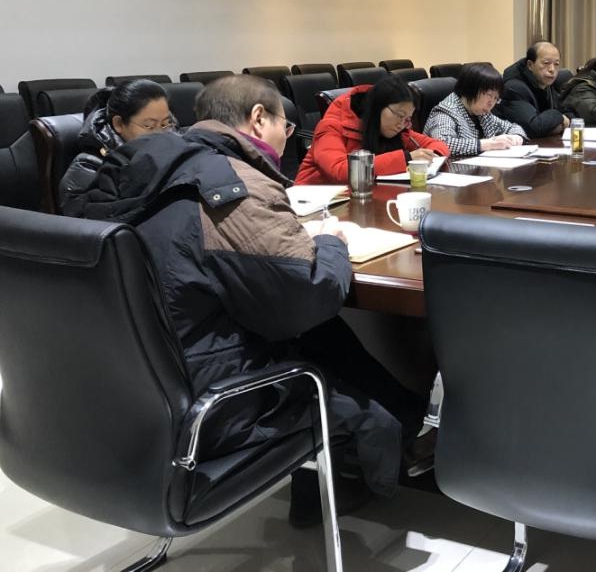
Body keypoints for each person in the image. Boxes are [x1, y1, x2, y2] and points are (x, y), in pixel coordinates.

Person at [65, 74, 431, 527]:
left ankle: (389, 435)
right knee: (326, 331)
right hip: (215, 405)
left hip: (131, 392)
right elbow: (309, 296)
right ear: (259, 119)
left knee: (329, 338)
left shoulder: (141, 167)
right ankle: (376, 456)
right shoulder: (231, 182)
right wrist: (331, 241)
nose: (286, 136)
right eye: (285, 126)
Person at [295, 75, 448, 184]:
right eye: (399, 115)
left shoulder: (397, 130)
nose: (402, 124)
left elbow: (438, 145)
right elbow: (340, 170)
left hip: (361, 199)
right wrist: (406, 158)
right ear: (378, 108)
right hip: (313, 205)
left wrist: (431, 156)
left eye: (407, 118)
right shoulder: (331, 126)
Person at [58, 79, 175, 213]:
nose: (160, 133)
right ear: (118, 124)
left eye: (165, 124)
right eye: (149, 126)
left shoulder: (172, 148)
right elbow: (83, 221)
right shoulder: (89, 166)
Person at [425, 62, 527, 156]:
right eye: (489, 95)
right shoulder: (445, 112)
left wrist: (516, 137)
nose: (491, 103)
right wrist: (488, 144)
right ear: (471, 89)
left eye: (496, 98)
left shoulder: (481, 113)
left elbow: (512, 127)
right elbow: (443, 144)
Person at [494, 41, 569, 138]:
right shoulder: (514, 87)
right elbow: (532, 128)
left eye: (556, 64)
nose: (552, 69)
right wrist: (559, 116)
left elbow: (571, 114)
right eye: (546, 63)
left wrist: (556, 122)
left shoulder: (553, 81)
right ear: (530, 65)